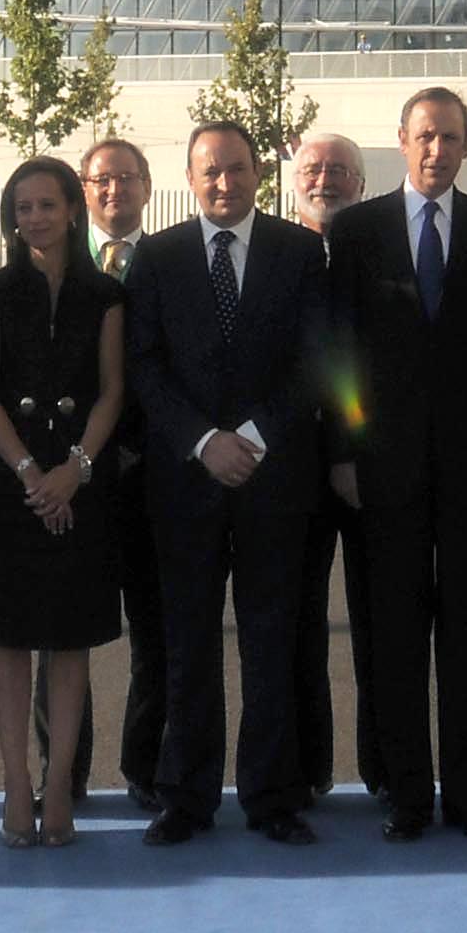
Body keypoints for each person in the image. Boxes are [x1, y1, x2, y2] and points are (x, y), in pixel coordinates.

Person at [324, 86, 467, 842]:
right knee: (396, 641)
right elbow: (338, 351)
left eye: (451, 138)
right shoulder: (358, 232)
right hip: (382, 473)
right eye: (425, 137)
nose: (438, 150)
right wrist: (344, 449)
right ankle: (408, 796)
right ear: (400, 142)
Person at [127, 121, 332, 843]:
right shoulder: (155, 258)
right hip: (184, 482)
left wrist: (249, 438)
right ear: (190, 179)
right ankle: (184, 794)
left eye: (237, 169)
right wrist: (203, 441)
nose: (224, 183)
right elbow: (144, 366)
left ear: (257, 173)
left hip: (274, 478)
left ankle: (273, 794)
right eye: (210, 172)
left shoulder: (302, 253)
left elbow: (314, 362)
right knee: (186, 644)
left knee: (272, 641)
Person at [0, 154, 124, 846]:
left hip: (82, 486)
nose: (34, 217)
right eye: (22, 207)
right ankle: (13, 784)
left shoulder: (108, 295)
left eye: (47, 205)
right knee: (9, 640)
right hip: (10, 486)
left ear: (72, 210)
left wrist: (77, 469)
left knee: (68, 641)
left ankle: (58, 786)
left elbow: (113, 390)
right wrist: (33, 473)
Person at [280, 126, 373, 801]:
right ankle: (306, 770)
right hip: (296, 468)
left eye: (340, 169)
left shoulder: (378, 250)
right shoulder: (280, 256)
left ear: (361, 183)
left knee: (379, 624)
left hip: (374, 469)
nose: (325, 179)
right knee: (297, 625)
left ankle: (385, 772)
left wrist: (353, 446)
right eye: (313, 167)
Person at [81, 133, 164, 815]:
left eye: (127, 179)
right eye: (102, 180)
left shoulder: (171, 261)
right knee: (63, 629)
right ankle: (64, 772)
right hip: (71, 475)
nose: (115, 191)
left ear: (147, 185)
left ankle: (147, 767)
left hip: (153, 474)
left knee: (156, 630)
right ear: (85, 189)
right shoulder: (43, 260)